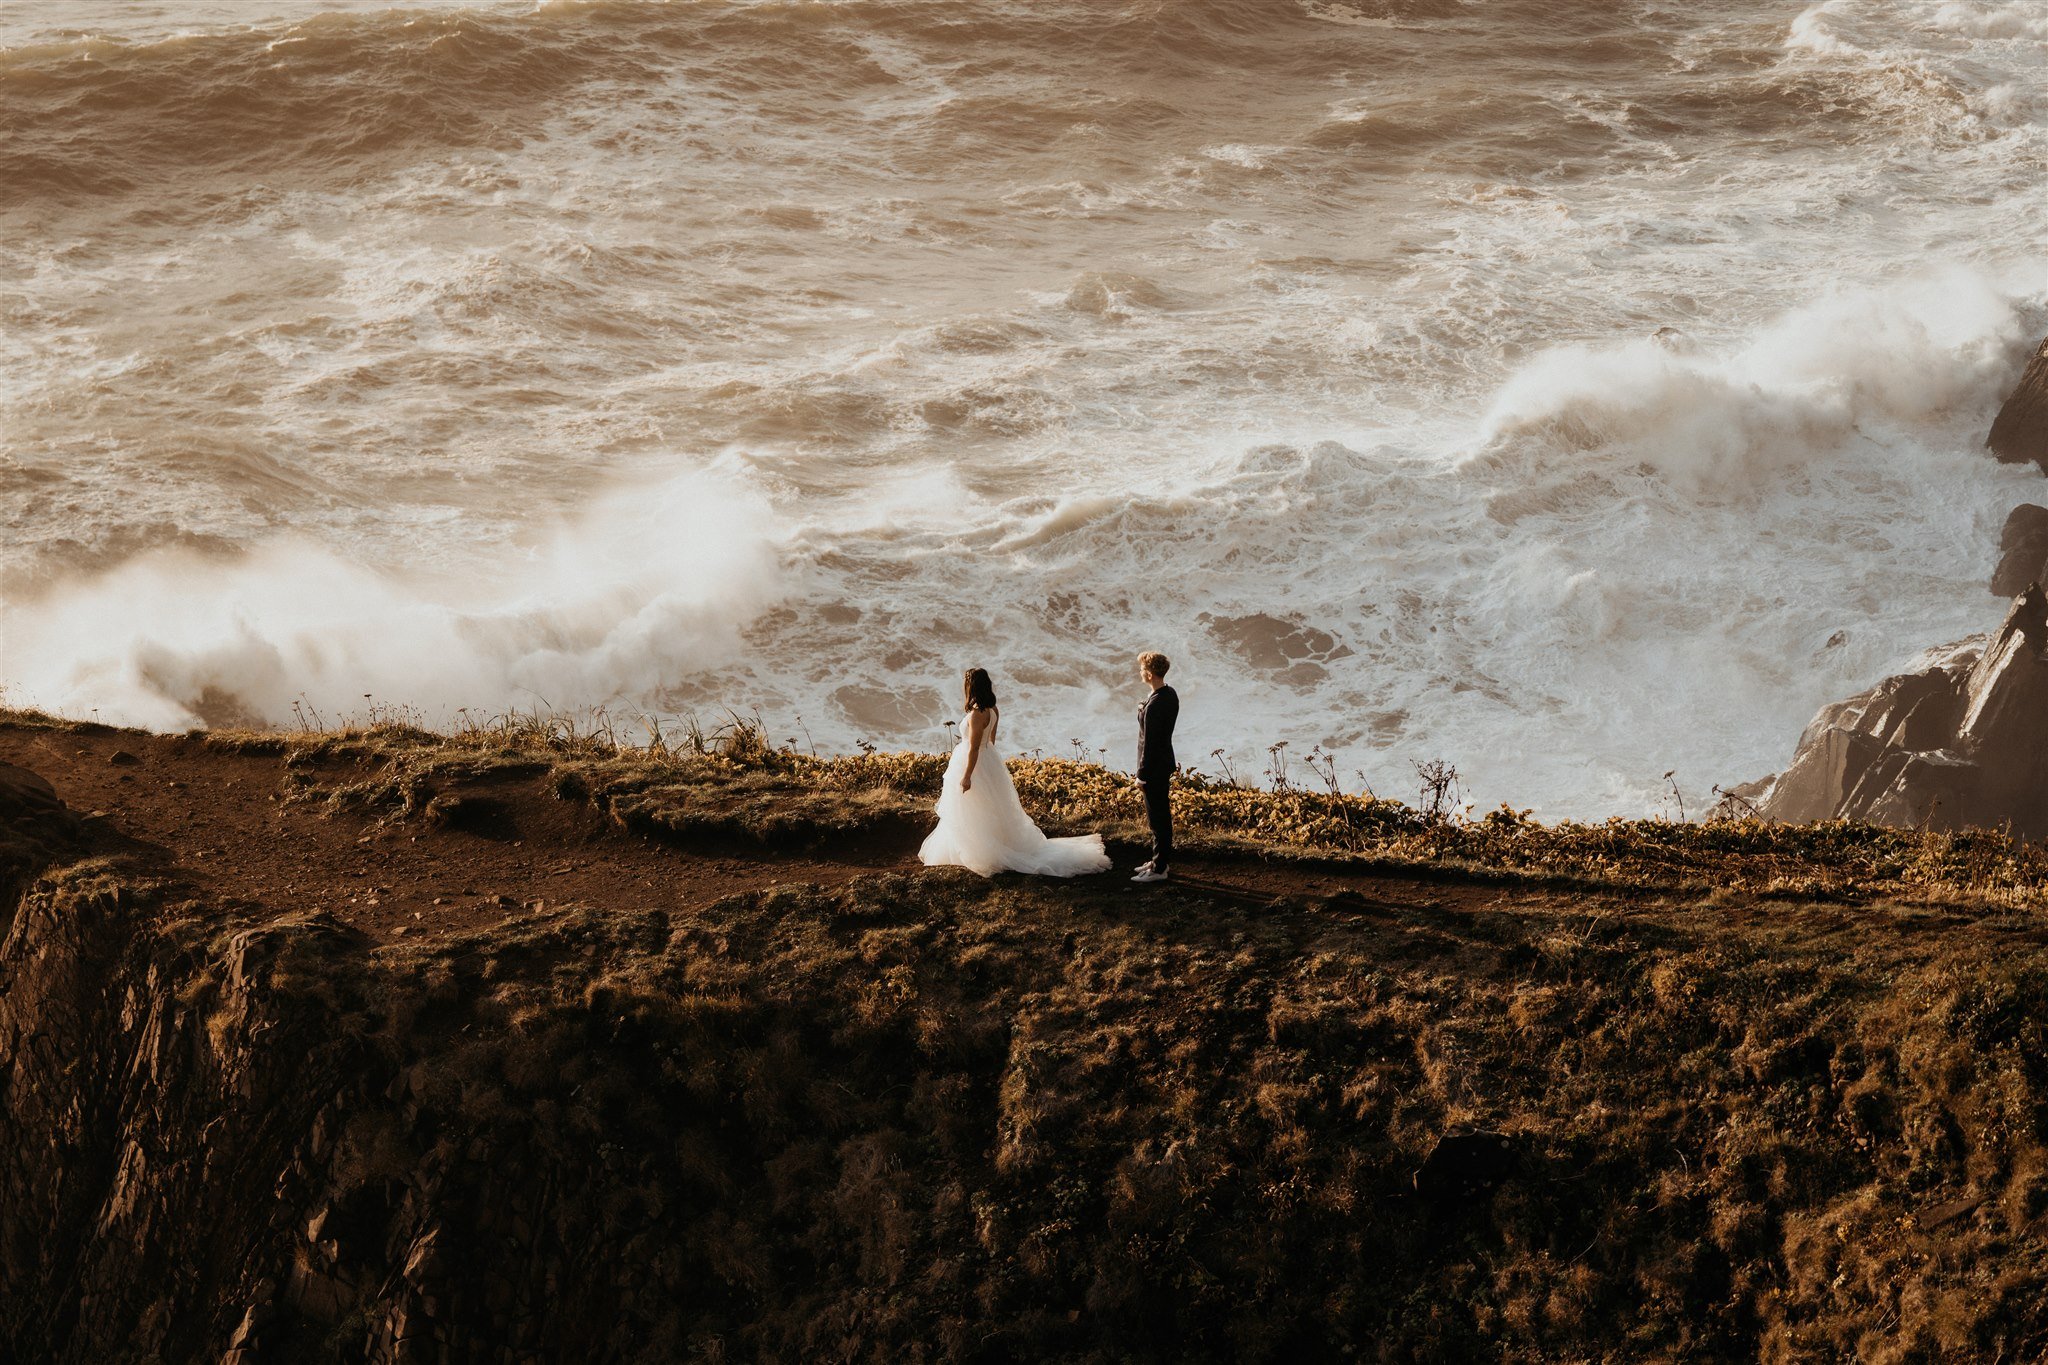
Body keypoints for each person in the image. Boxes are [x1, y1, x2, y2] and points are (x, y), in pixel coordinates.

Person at [919, 667, 1111, 877]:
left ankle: (979, 850)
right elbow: (990, 741)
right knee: (990, 806)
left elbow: (973, 748)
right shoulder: (993, 710)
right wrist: (990, 763)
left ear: (970, 686)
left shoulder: (976, 714)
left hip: (973, 762)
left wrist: (967, 776)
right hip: (988, 760)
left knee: (971, 808)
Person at [1131, 651, 1178, 883]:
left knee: (1157, 820)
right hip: (1163, 764)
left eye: (1141, 669)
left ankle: (1159, 869)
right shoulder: (1169, 694)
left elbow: (1150, 744)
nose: (1140, 672)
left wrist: (1141, 775)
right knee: (1160, 818)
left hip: (1154, 769)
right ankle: (1158, 861)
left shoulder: (1154, 705)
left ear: (1149, 674)